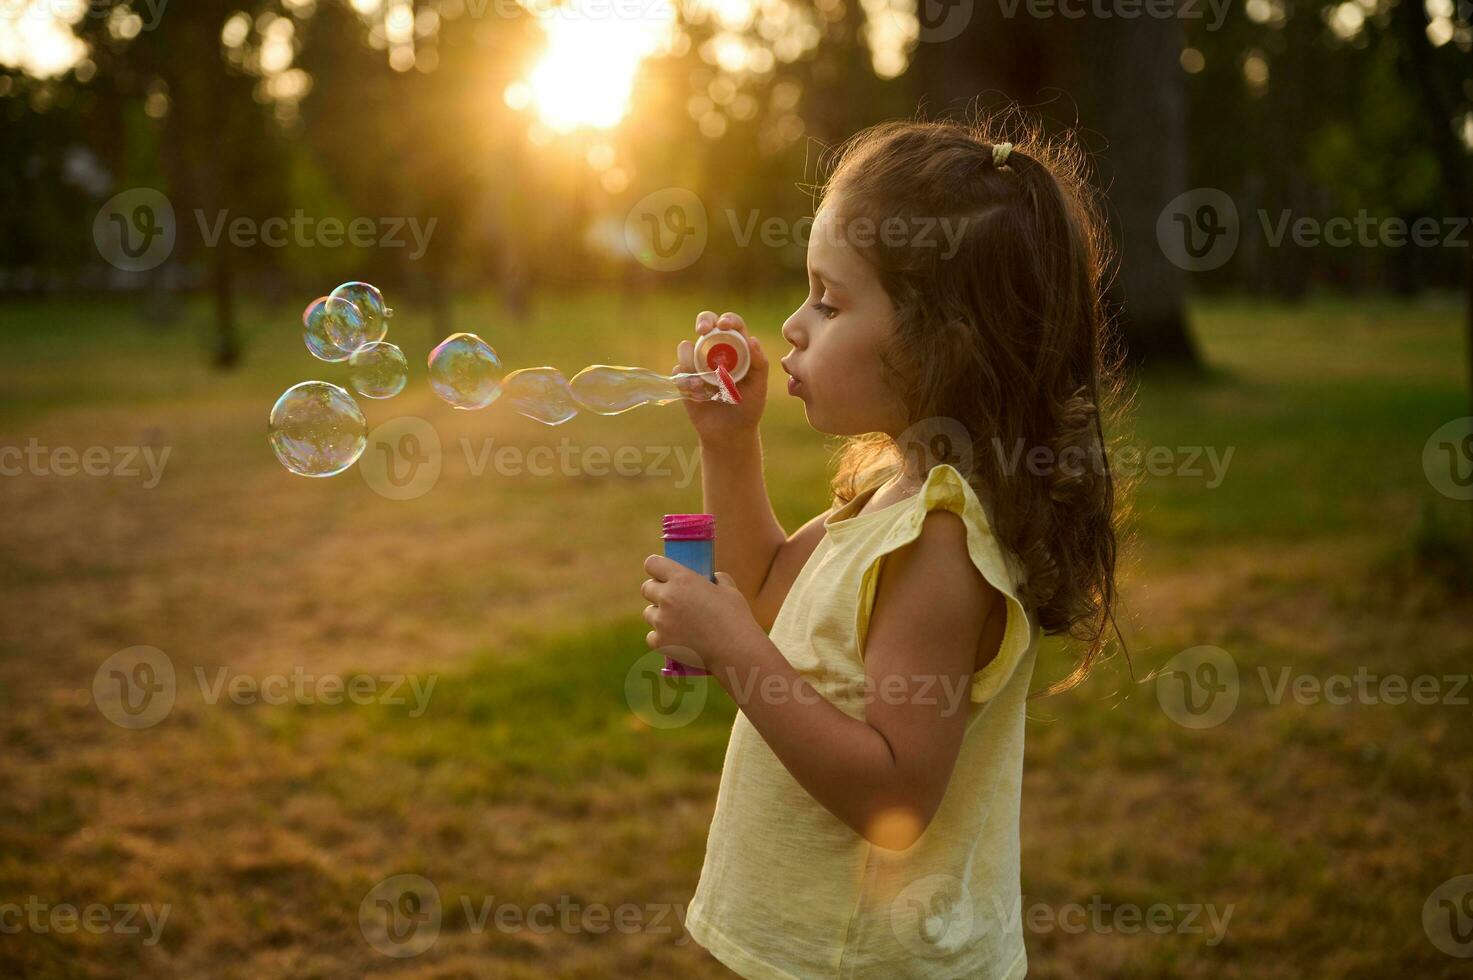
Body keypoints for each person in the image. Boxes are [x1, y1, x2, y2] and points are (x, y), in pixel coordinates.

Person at [639, 115, 1126, 978]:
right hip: (817, 949)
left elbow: (896, 795)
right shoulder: (889, 490)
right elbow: (759, 588)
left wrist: (731, 652)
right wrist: (729, 443)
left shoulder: (941, 541)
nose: (792, 325)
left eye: (829, 301)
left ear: (941, 340)